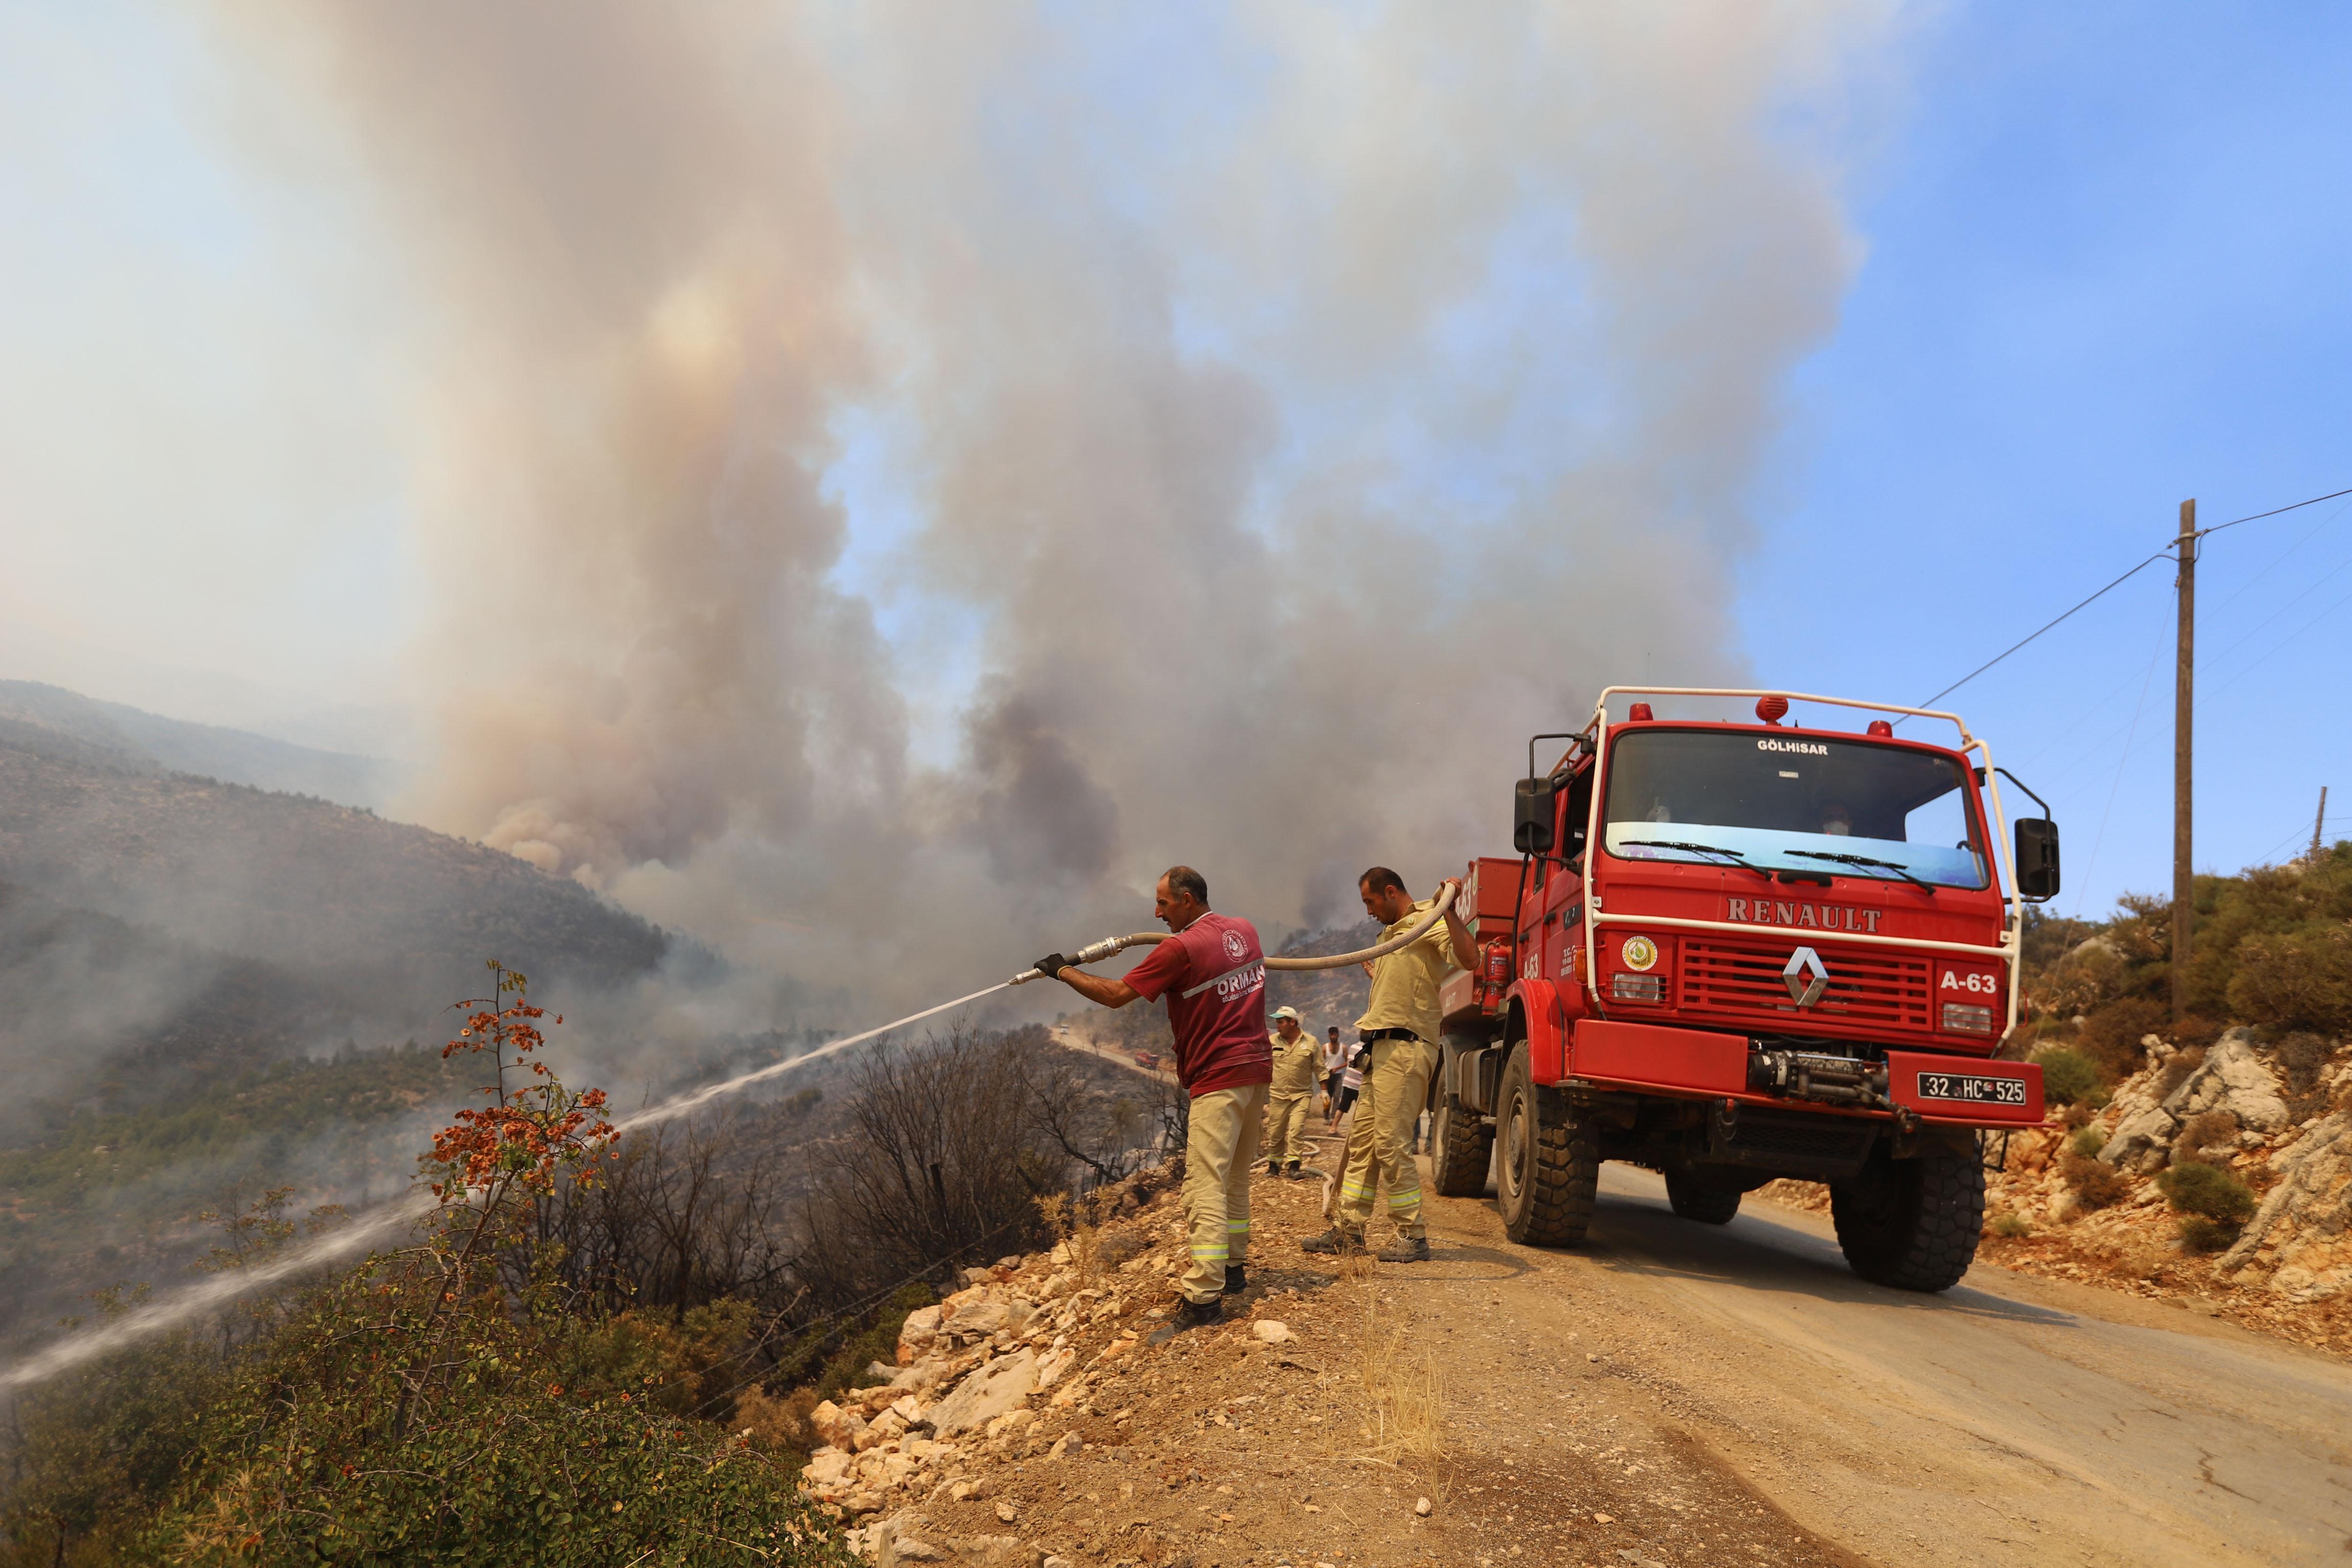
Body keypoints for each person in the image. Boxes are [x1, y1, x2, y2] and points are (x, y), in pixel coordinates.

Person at [1034, 866, 1268, 1333]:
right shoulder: (1244, 930)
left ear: (1186, 900)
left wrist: (1062, 971)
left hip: (1218, 1077)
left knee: (1203, 1185)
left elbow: (1117, 994)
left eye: (1163, 903)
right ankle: (1234, 1271)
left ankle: (1204, 1297)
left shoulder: (1178, 949)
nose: (1156, 912)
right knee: (1236, 1178)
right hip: (1257, 1070)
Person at [1301, 867, 1474, 1263]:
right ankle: (1349, 1230)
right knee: (1362, 1144)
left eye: (1371, 902)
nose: (1369, 911)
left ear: (1391, 892)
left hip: (1407, 1049)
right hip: (1381, 1052)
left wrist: (1450, 909)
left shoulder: (1427, 920)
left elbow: (1470, 958)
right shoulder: (1390, 938)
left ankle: (1412, 1235)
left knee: (1391, 1144)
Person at [1262, 1006, 1319, 1180]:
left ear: (1292, 1022)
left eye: (1281, 1022)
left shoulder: (1311, 1042)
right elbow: (1262, 1064)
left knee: (1296, 1129)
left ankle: (1294, 1167)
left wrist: (1324, 1092)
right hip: (1278, 1095)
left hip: (1301, 1095)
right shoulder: (1271, 1042)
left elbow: (1320, 1068)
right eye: (1277, 1022)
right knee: (1276, 1132)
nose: (1277, 1025)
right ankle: (1274, 1166)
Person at [1327, 1039, 1366, 1132]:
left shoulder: (1353, 1047)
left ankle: (1333, 1129)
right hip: (1359, 1084)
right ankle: (1358, 1131)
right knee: (1362, 1109)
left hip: (1348, 1082)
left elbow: (1349, 1062)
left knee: (1342, 1107)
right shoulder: (1367, 1050)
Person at [1319, 1026, 1347, 1117]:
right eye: (1331, 1035)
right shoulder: (1325, 1047)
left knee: (1337, 1096)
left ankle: (1333, 1117)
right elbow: (1320, 1061)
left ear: (1338, 1035)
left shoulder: (1343, 1048)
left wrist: (1337, 1068)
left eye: (1335, 1035)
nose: (1333, 1037)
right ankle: (1326, 1116)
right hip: (1327, 1075)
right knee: (1328, 1096)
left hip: (1338, 1075)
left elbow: (1348, 1062)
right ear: (1329, 1036)